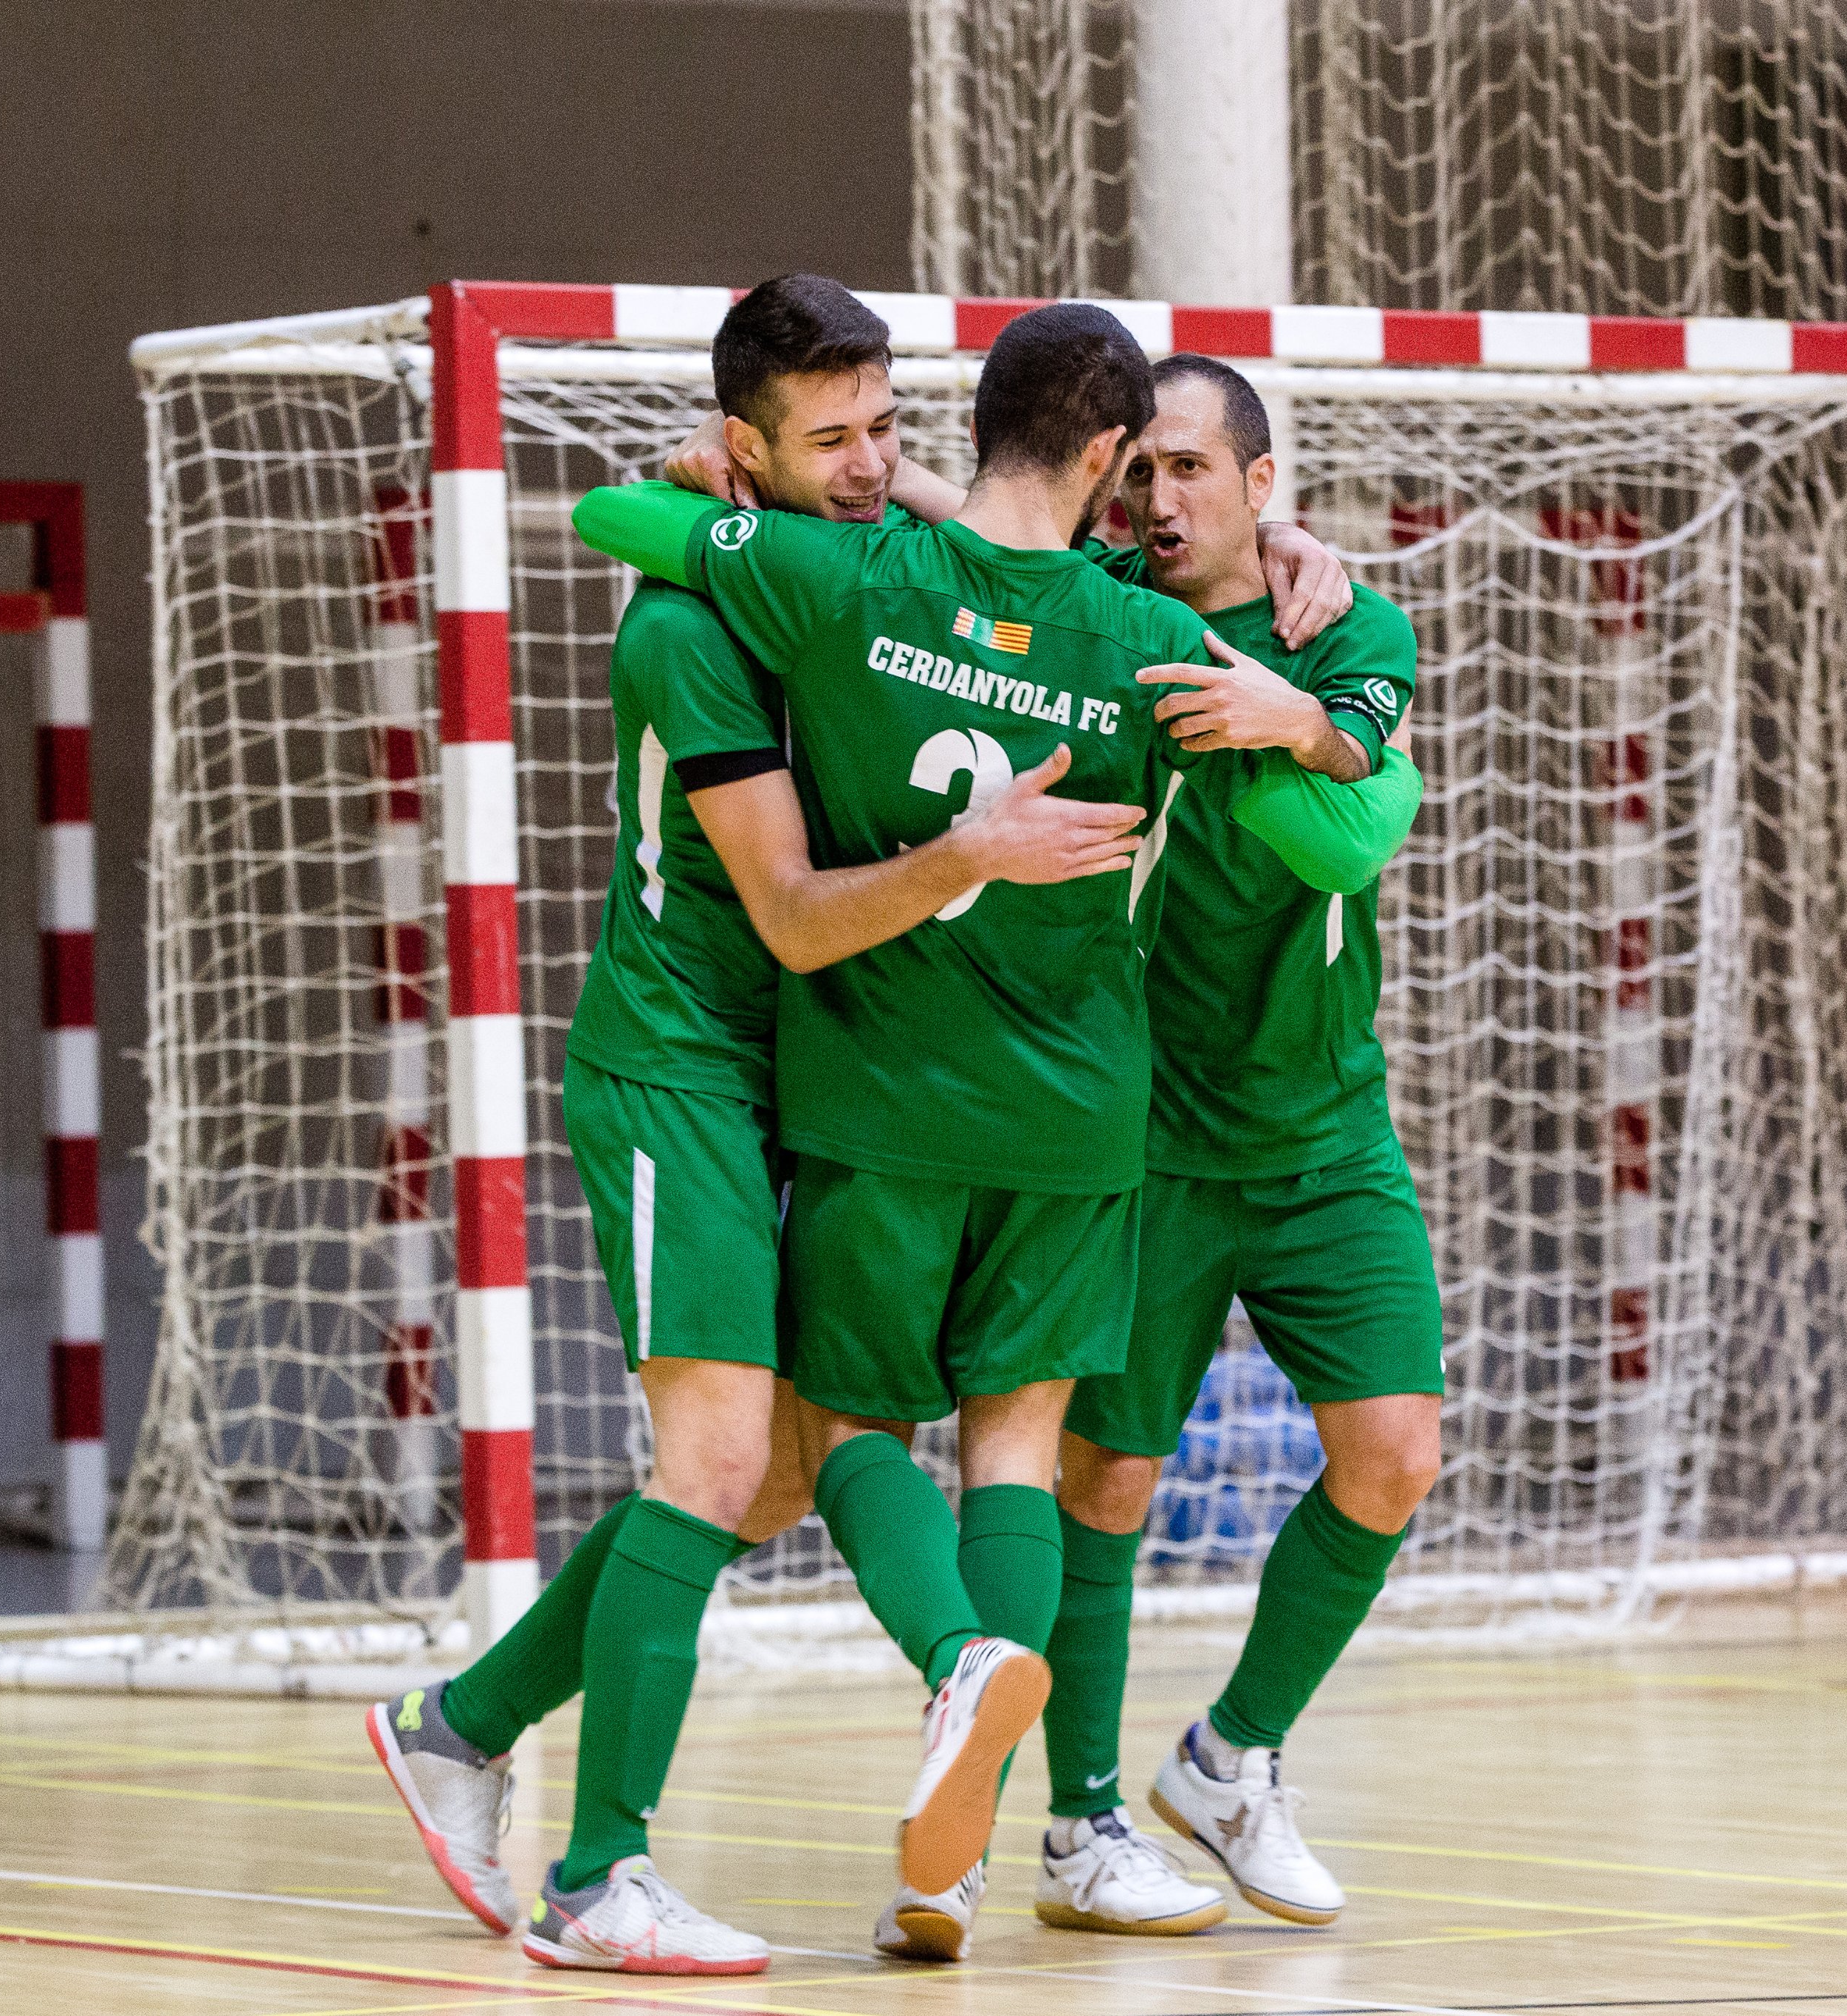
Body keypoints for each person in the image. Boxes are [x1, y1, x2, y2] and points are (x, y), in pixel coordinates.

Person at [566, 301, 1418, 1962]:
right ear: (1106, 465)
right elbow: (1345, 826)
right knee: (1017, 1450)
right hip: (1089, 1114)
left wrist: (714, 496)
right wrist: (1302, 718)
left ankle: (960, 1706)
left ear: (963, 435)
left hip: (875, 1082)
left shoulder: (847, 575)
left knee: (834, 1439)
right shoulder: (1153, 645)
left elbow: (622, 522)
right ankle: (997, 1831)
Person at [365, 275, 1164, 1978]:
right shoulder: (690, 621)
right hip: (685, 1069)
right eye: (831, 439)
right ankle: (598, 1872)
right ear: (745, 446)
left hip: (808, 1075)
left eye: (890, 427)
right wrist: (976, 855)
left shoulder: (854, 569)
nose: (872, 465)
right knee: (721, 1460)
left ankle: (462, 1722)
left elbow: (1000, 563)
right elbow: (797, 917)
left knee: (783, 1464)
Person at [1031, 354, 1441, 1939]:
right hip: (1143, 1136)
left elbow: (1361, 789)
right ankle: (1075, 1824)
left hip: (1327, 1125)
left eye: (1191, 466)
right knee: (1107, 1472)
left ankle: (1228, 1756)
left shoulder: (1350, 626)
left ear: (1261, 486)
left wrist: (1297, 718)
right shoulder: (1086, 609)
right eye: (1138, 468)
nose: (1159, 496)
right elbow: (948, 522)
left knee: (1393, 1452)